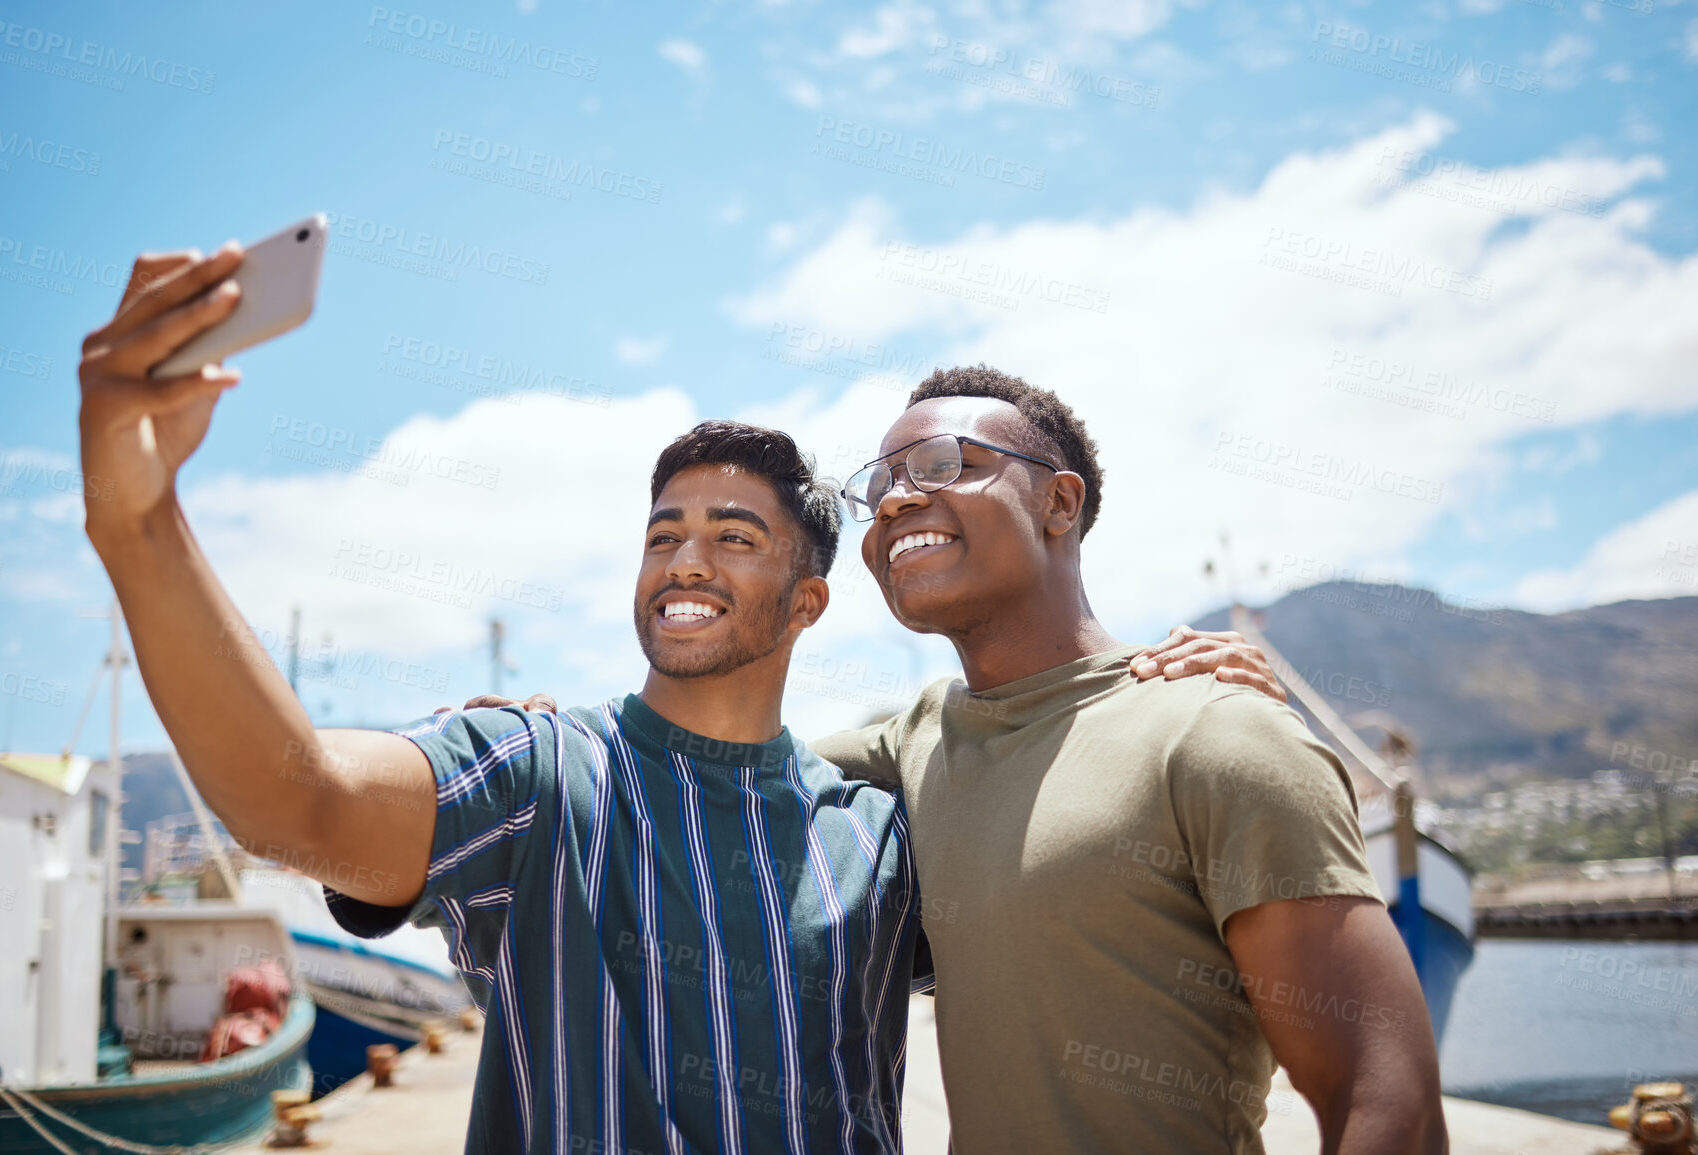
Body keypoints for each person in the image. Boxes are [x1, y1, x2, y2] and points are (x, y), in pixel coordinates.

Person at [74, 247, 1278, 1154]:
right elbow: (301, 806)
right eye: (665, 535)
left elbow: (1045, 837)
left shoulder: (876, 827)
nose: (687, 561)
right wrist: (140, 525)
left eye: (734, 537)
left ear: (809, 602)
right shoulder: (537, 773)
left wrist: (1168, 693)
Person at [499, 367, 1447, 1154]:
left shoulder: (1213, 733)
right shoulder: (909, 744)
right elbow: (703, 770)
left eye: (946, 463)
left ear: (1058, 502)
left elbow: (1385, 1100)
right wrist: (546, 738)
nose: (899, 496)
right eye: (881, 485)